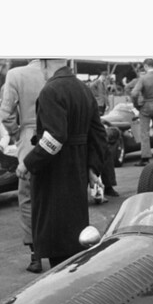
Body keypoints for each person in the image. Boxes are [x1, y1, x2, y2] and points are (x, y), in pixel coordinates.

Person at [16, 59, 108, 269]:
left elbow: (54, 138)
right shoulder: (83, 89)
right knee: (76, 245)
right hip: (77, 175)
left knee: (58, 252)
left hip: (54, 177)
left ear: (44, 63)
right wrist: (93, 168)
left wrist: (28, 163)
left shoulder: (50, 91)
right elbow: (99, 134)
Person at [0, 58, 47, 273]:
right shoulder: (58, 72)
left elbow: (6, 113)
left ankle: (35, 254)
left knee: (28, 196)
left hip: (29, 138)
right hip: (58, 137)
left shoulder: (16, 75)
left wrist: (16, 133)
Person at [130, 58, 153, 166]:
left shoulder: (143, 79)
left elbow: (134, 93)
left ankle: (145, 157)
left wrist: (137, 105)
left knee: (144, 132)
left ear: (145, 66)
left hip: (145, 105)